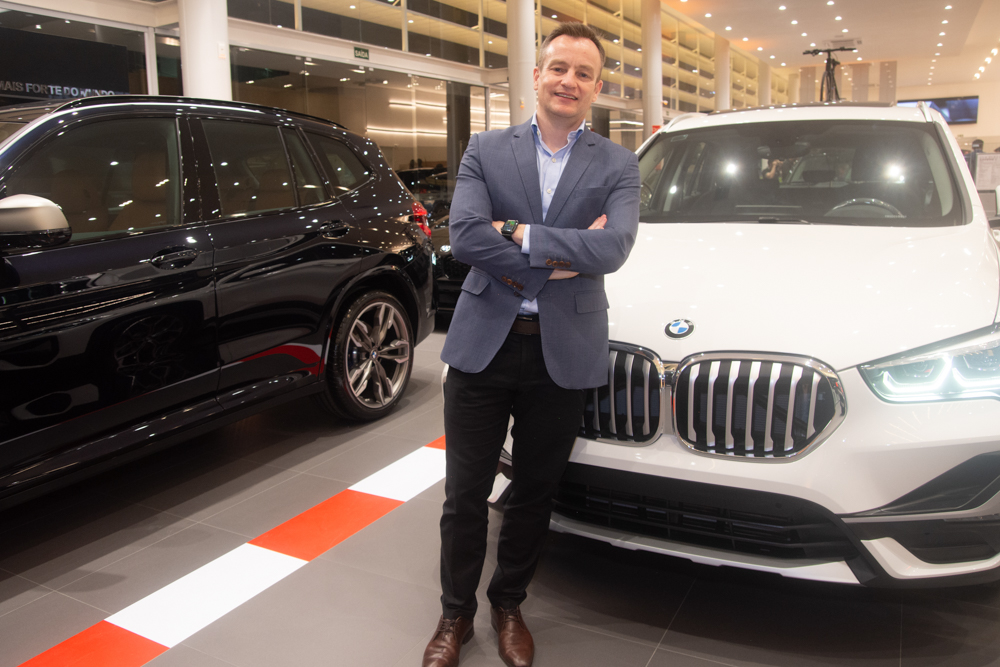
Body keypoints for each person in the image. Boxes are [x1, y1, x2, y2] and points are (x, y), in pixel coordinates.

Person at [422, 22, 640, 667]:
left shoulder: (618, 163)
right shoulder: (486, 148)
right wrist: (561, 256)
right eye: (559, 68)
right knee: (465, 494)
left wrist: (517, 234)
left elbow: (613, 248)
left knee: (533, 492)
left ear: (596, 88)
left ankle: (508, 603)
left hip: (562, 350)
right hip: (483, 345)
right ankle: (454, 614)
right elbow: (464, 236)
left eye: (583, 73)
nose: (569, 81)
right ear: (537, 76)